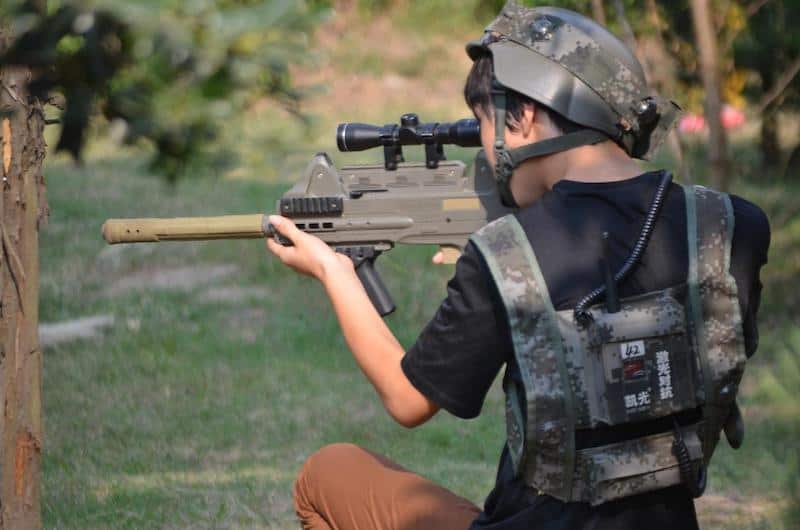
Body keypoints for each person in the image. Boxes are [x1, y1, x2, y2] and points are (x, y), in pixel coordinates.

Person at [266, 2, 770, 529]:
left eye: (484, 123)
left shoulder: (505, 256)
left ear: (524, 117)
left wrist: (334, 272)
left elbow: (406, 399)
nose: (485, 146)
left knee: (327, 473)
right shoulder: (733, 225)